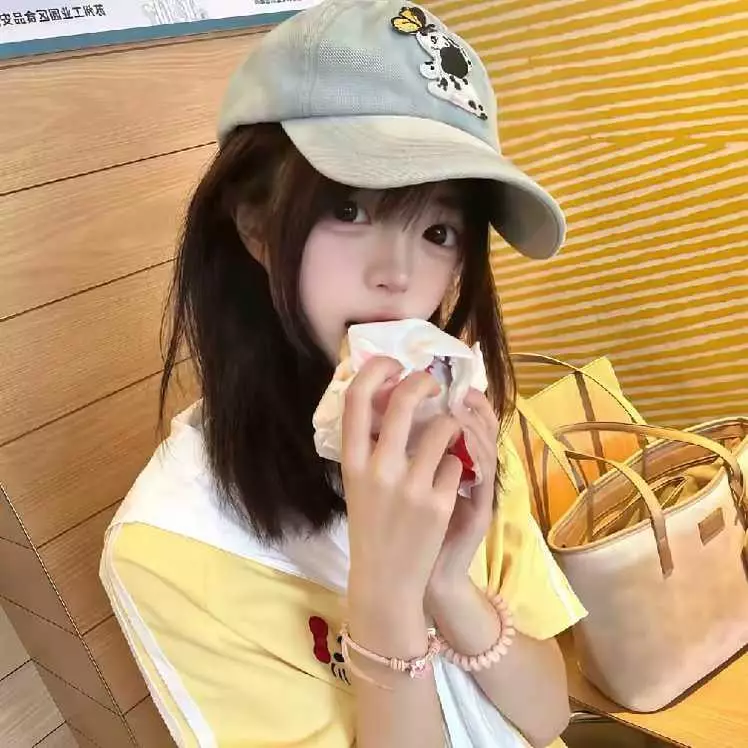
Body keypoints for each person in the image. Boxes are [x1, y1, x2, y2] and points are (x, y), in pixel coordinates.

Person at [100, 1, 587, 746]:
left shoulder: (457, 427)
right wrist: (386, 595)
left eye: (438, 230)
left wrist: (447, 582)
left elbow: (550, 715)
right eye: (351, 209)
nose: (398, 274)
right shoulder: (173, 546)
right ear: (255, 225)